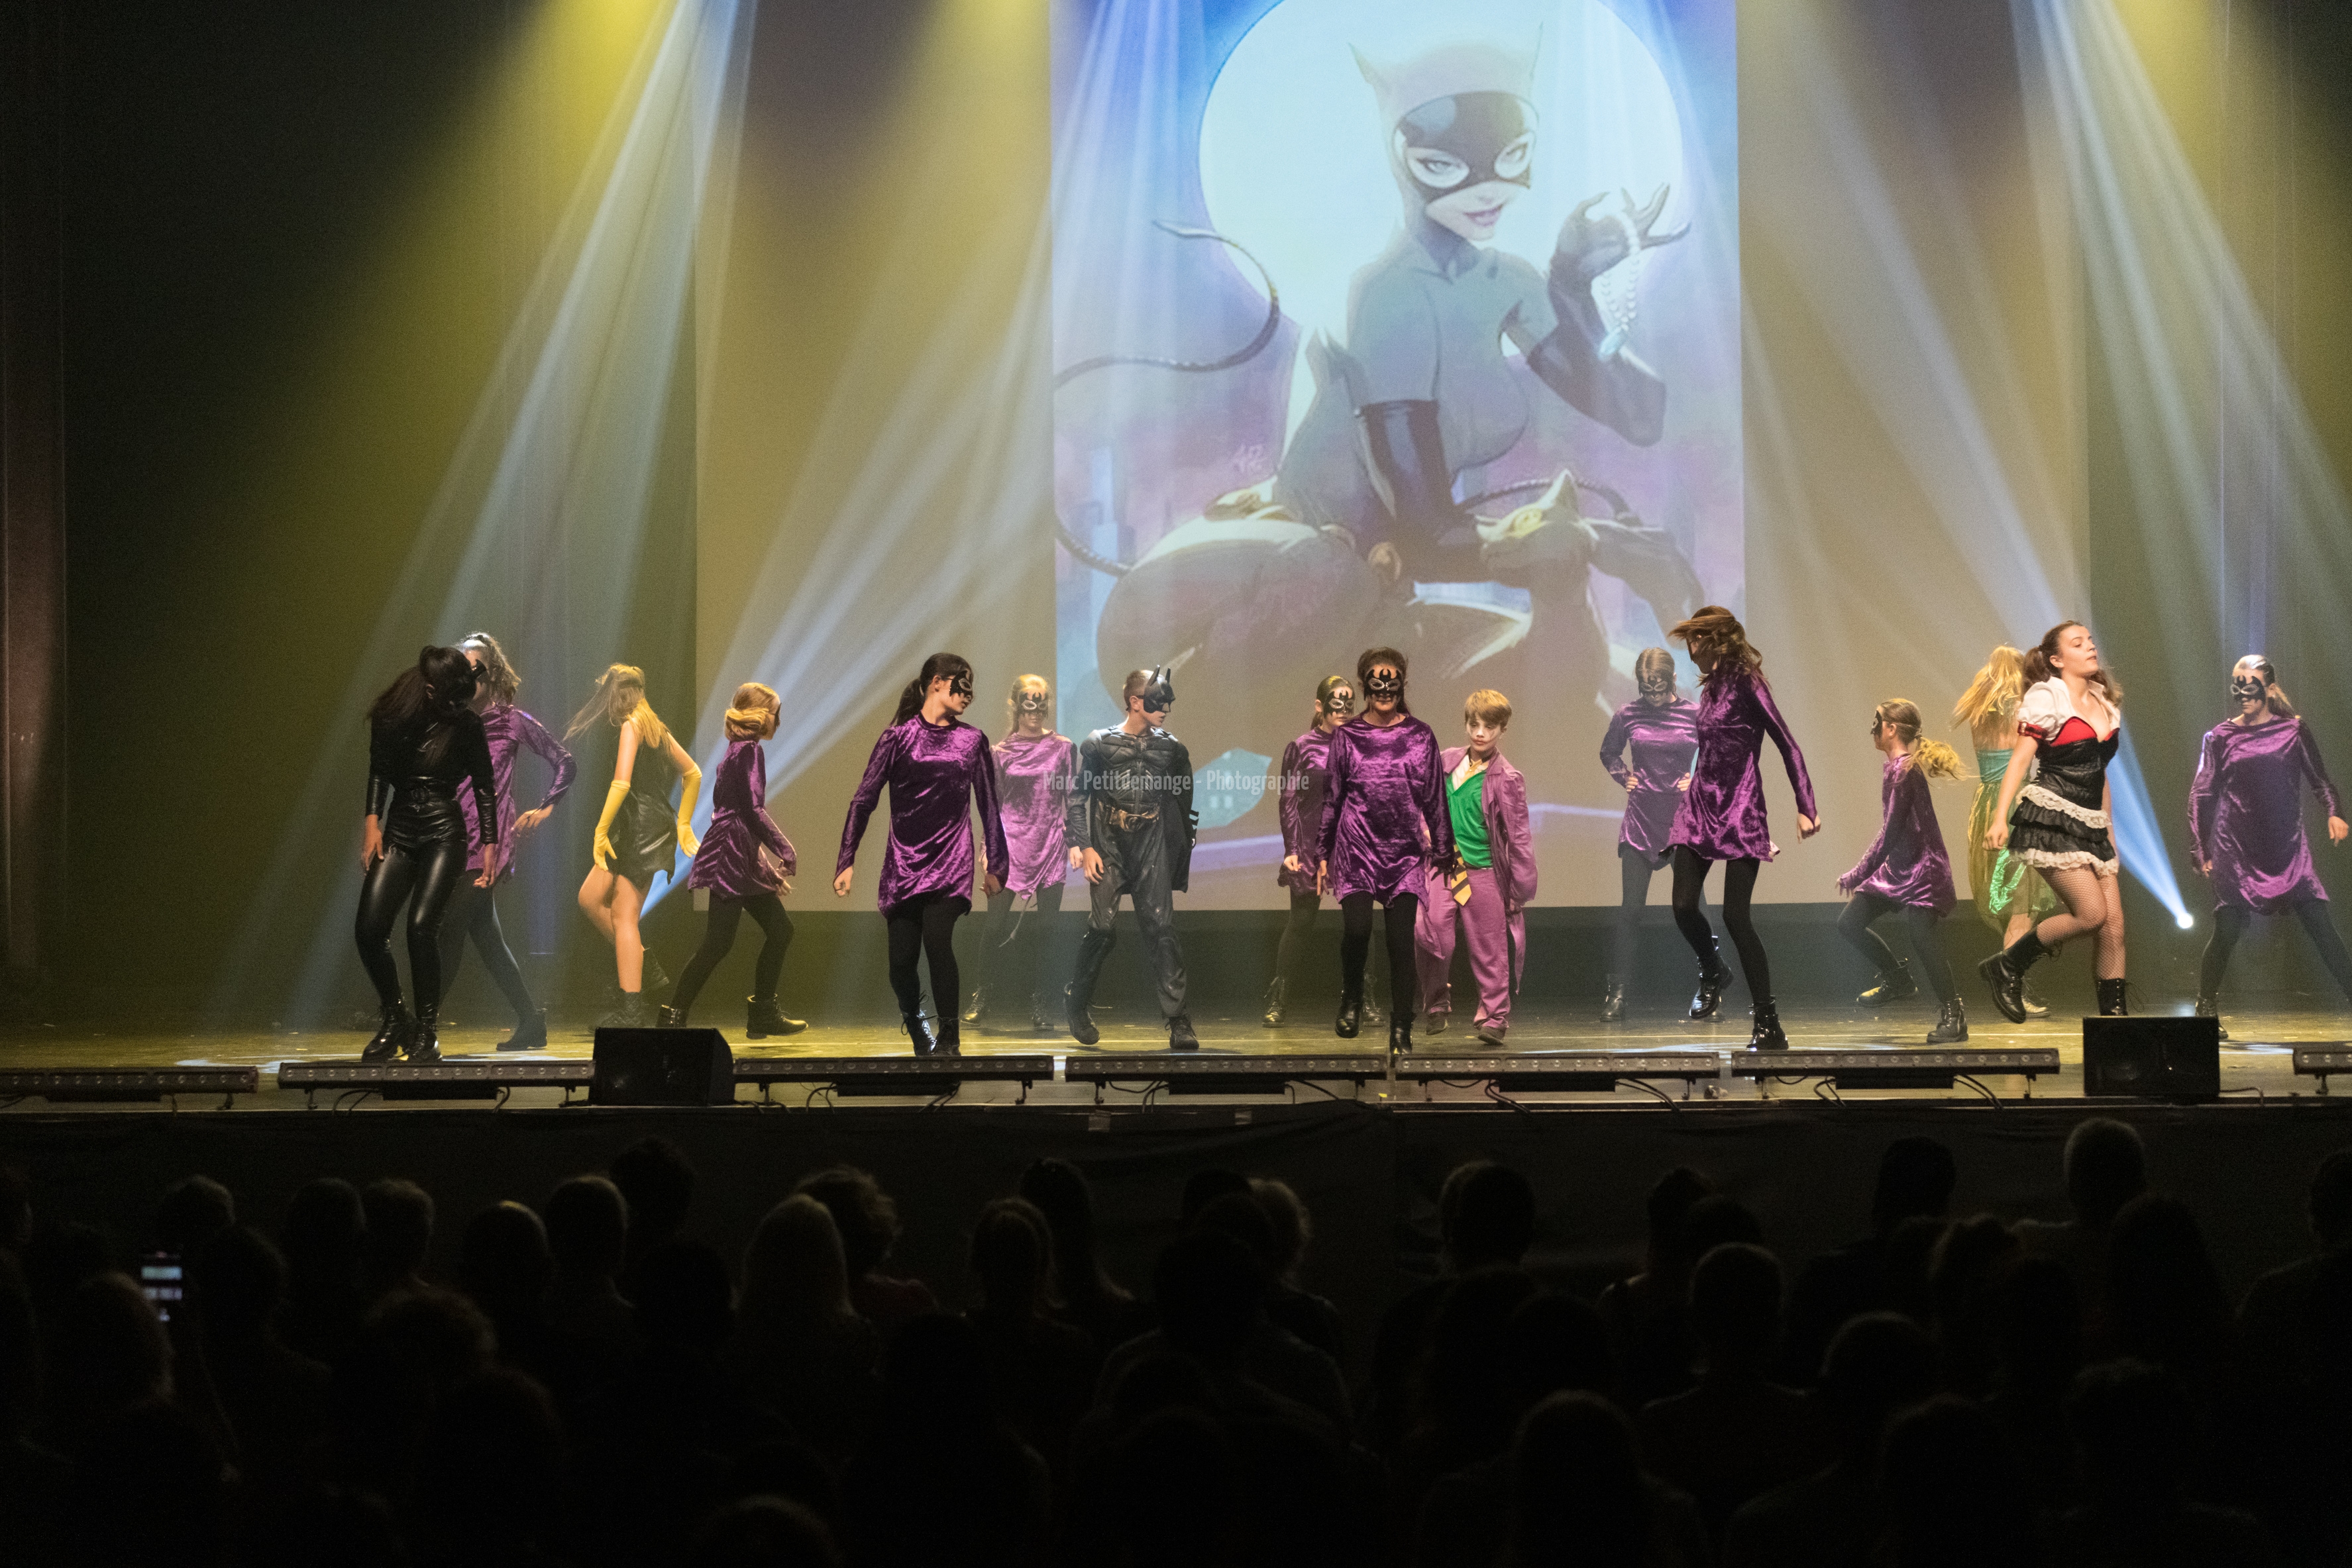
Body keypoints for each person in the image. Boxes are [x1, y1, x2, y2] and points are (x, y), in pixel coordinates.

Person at [835, 653, 1008, 1056]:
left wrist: (997, 865)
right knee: (901, 963)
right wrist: (847, 859)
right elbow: (863, 800)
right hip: (904, 864)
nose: (969, 693)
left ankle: (950, 1036)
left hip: (951, 860)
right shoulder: (897, 739)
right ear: (937, 682)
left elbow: (989, 804)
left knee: (938, 940)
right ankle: (916, 1024)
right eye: (962, 683)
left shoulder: (973, 740)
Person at [1664, 607, 1819, 1051]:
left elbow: (1787, 743)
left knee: (1736, 916)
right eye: (1689, 639)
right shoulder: (1711, 687)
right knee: (1683, 906)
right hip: (1700, 806)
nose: (1691, 648)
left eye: (1697, 638)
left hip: (1740, 808)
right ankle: (1713, 968)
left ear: (1715, 639)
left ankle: (1769, 1024)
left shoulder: (1747, 681)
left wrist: (1806, 806)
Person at [2189, 655, 2352, 1039]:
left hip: (2287, 848)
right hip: (2236, 847)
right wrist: (2199, 847)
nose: (2242, 692)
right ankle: (2205, 1005)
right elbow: (2202, 794)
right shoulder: (2219, 737)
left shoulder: (2293, 730)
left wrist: (2334, 812)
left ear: (2270, 688)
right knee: (2228, 927)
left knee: (2320, 925)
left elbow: (2320, 779)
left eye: (2250, 684)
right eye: (2237, 684)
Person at [356, 645, 501, 1063]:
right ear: (431, 689)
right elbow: (379, 769)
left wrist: (490, 843)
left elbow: (484, 784)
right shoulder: (396, 712)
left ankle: (427, 1031)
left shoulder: (466, 723)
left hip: (443, 830)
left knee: (421, 927)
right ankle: (395, 1020)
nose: (458, 707)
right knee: (369, 929)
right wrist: (372, 824)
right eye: (451, 700)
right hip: (401, 828)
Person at [1978, 621, 2128, 1020]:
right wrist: (1999, 818)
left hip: (2091, 823)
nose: (2090, 647)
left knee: (2113, 929)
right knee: (2091, 915)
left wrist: (2109, 830)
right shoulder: (2047, 696)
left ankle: (2116, 1029)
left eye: (2091, 640)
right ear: (2058, 660)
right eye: (2078, 643)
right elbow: (2020, 760)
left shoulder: (2102, 699)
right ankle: (2007, 965)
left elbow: (2099, 773)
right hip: (2051, 815)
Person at [437, 633, 572, 1053]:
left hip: (490, 842)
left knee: (451, 928)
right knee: (487, 938)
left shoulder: (511, 721)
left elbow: (565, 761)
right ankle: (531, 1021)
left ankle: (420, 1023)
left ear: (490, 674)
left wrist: (546, 807)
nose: (467, 677)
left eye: (475, 669)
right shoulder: (455, 720)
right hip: (454, 837)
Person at [1318, 647, 1458, 1051]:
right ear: (1365, 686)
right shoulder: (1347, 736)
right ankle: (1351, 998)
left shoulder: (1420, 735)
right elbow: (1332, 798)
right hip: (1358, 847)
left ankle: (1401, 1026)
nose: (1384, 689)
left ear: (1402, 685)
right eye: (1376, 682)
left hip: (1404, 853)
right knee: (1357, 931)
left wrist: (1444, 850)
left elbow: (1435, 798)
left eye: (1391, 682)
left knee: (1400, 945)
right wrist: (1322, 854)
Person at [1063, 666, 1200, 1052]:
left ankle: (1178, 1019)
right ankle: (1076, 1001)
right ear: (1135, 702)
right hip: (1108, 844)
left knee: (1162, 928)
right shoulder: (1099, 744)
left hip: (1150, 842)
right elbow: (1078, 798)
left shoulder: (1171, 748)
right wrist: (1086, 846)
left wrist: (1180, 843)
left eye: (1168, 703)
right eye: (1158, 702)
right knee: (1103, 927)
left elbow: (1184, 796)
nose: (1166, 709)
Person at [662, 682, 802, 1036]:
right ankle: (674, 1017)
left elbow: (741, 816)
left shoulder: (737, 751)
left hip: (736, 851)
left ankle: (762, 1013)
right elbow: (752, 811)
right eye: (776, 714)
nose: (778, 722)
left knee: (779, 931)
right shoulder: (749, 751)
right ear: (760, 715)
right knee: (719, 942)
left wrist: (764, 868)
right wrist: (785, 850)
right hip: (730, 854)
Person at [571, 664, 702, 1027]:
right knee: (589, 898)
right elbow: (693, 773)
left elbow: (622, 783)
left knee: (623, 915)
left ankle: (632, 1009)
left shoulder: (634, 725)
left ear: (618, 695)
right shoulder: (655, 726)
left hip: (641, 828)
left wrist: (600, 830)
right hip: (639, 824)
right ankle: (644, 963)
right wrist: (681, 822)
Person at [1836, 700, 1968, 1044]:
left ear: (1892, 728)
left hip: (1923, 868)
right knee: (1849, 923)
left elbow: (1890, 831)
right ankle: (1898, 980)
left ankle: (1954, 1016)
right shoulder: (1896, 768)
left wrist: (1857, 873)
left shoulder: (1905, 771)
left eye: (1877, 721)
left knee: (1923, 937)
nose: (1873, 728)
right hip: (1899, 866)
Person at [1418, 688, 1536, 1047]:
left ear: (1502, 730)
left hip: (1483, 870)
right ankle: (1436, 1003)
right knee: (1431, 933)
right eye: (1474, 725)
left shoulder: (1507, 778)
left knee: (1489, 948)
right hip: (1443, 866)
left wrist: (1518, 889)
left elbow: (1519, 837)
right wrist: (1423, 829)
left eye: (1489, 727)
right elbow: (1421, 803)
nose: (1480, 733)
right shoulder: (1444, 762)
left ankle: (1495, 1017)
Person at [1265, 675, 1384, 1029]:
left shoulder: (1362, 745)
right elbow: (1288, 800)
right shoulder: (1301, 747)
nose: (1344, 711)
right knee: (1301, 921)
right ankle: (1279, 998)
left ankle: (1364, 997)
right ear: (1320, 706)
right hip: (1309, 845)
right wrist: (1291, 848)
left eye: (1349, 704)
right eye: (1336, 703)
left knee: (1360, 925)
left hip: (1353, 844)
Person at [966, 674, 1077, 1033]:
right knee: (995, 926)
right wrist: (988, 852)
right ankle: (983, 994)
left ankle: (1041, 1001)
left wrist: (1078, 842)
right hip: (1010, 847)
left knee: (1047, 928)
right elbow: (992, 806)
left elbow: (1073, 800)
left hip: (1050, 845)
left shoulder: (1063, 749)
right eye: (1029, 702)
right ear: (1015, 705)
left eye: (1041, 702)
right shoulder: (1000, 753)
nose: (1036, 710)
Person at [1952, 645, 2057, 1017]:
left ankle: (2012, 978)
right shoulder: (2021, 708)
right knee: (2023, 902)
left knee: (2014, 900)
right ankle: (2010, 983)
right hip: (2014, 804)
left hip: (1985, 804)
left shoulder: (1979, 710)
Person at [1599, 647, 1699, 1020]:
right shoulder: (1628, 714)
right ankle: (1618, 993)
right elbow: (1609, 752)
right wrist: (1623, 776)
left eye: (1659, 689)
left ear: (1673, 680)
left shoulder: (1694, 713)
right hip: (1641, 819)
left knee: (1694, 909)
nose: (1653, 697)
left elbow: (1717, 755)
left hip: (1681, 821)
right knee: (1631, 910)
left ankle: (1708, 989)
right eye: (1646, 689)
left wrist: (1698, 777)